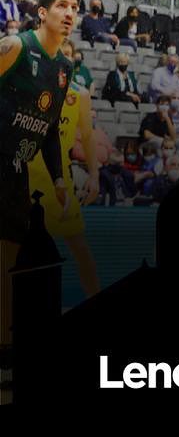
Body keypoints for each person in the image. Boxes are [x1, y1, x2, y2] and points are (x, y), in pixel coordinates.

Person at [0, 0, 78, 354]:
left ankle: (5, 347)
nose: (70, 13)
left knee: (9, 262)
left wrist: (60, 179)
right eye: (62, 5)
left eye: (74, 8)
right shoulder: (15, 46)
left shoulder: (65, 68)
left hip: (16, 170)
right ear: (43, 13)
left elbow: (49, 128)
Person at [28, 39, 100, 297]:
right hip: (27, 179)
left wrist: (94, 175)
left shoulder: (80, 94)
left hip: (61, 183)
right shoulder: (33, 86)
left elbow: (88, 138)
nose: (65, 58)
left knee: (81, 251)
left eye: (69, 54)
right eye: (61, 53)